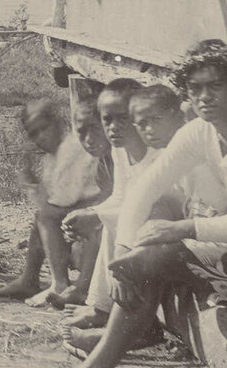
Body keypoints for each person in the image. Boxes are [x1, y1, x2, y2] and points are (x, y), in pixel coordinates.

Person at [35, 41, 227, 368]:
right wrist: (123, 252)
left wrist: (183, 229)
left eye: (215, 86)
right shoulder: (200, 131)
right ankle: (121, 340)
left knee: (156, 254)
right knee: (146, 244)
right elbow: (144, 189)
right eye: (195, 88)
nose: (204, 97)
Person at [63, 83, 186, 345]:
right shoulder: (120, 151)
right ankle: (101, 308)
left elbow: (159, 205)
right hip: (142, 222)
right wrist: (92, 212)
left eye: (123, 119)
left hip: (170, 224)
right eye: (107, 120)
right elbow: (121, 197)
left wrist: (97, 217)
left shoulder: (160, 155)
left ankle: (135, 326)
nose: (114, 128)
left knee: (116, 225)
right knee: (110, 222)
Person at [0, 95, 105, 303]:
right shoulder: (52, 158)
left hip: (92, 217)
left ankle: (60, 283)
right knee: (42, 217)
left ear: (57, 123)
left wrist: (34, 189)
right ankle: (29, 278)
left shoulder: (72, 149)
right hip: (78, 215)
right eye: (33, 134)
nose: (40, 138)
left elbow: (60, 203)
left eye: (44, 128)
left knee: (45, 217)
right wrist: (33, 182)